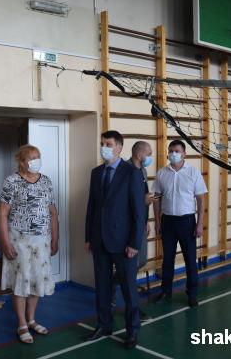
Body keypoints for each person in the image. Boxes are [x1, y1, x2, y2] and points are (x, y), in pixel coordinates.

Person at [84, 130, 146, 349]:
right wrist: (88, 237)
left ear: (119, 147)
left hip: (124, 243)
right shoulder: (96, 173)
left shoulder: (132, 173)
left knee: (129, 289)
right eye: (102, 143)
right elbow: (92, 207)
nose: (104, 147)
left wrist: (134, 243)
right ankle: (104, 324)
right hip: (99, 240)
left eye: (108, 144)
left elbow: (138, 212)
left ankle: (132, 330)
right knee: (102, 287)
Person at [0, 145, 59, 344]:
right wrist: (4, 241)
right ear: (22, 161)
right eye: (32, 158)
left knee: (36, 280)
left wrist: (55, 238)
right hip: (19, 240)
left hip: (42, 240)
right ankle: (22, 324)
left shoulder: (46, 181)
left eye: (38, 156)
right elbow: (2, 213)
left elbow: (53, 212)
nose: (36, 161)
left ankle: (32, 319)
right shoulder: (11, 181)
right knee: (21, 281)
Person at [153, 139, 207, 308]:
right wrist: (157, 221)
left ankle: (192, 294)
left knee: (190, 260)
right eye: (171, 151)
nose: (173, 154)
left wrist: (199, 224)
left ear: (184, 154)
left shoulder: (193, 172)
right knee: (167, 259)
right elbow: (156, 198)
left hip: (187, 221)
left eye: (176, 151)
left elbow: (201, 200)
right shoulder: (161, 173)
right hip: (167, 221)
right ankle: (166, 291)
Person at [111, 141, 155, 322]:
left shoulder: (142, 170)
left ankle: (111, 285)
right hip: (127, 228)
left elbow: (141, 200)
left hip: (139, 225)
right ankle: (132, 309)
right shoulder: (125, 171)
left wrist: (145, 220)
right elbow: (122, 202)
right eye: (149, 154)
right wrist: (142, 202)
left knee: (140, 262)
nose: (150, 157)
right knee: (130, 267)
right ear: (139, 154)